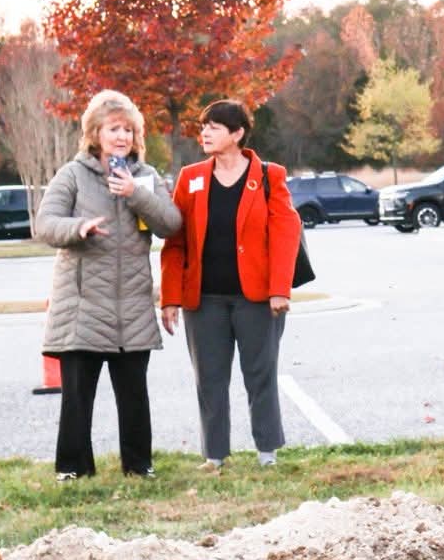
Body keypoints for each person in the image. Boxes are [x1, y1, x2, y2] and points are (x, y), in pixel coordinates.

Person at [34, 89, 182, 481]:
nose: (122, 137)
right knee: (77, 397)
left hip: (131, 306)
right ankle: (72, 468)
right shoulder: (72, 176)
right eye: (114, 129)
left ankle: (139, 465)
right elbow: (45, 224)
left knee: (134, 394)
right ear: (95, 133)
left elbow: (171, 224)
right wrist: (78, 228)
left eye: (129, 131)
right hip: (82, 306)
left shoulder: (146, 178)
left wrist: (136, 196)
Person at [160, 99, 301, 470]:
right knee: (209, 379)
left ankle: (267, 452)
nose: (204, 132)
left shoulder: (270, 176)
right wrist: (170, 297)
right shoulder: (190, 178)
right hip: (203, 300)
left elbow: (286, 233)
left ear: (237, 134)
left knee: (261, 375)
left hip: (256, 298)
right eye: (203, 126)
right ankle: (215, 455)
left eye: (214, 127)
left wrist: (279, 289)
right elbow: (176, 243)